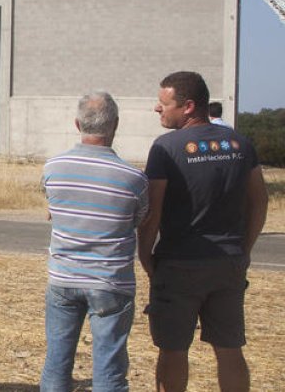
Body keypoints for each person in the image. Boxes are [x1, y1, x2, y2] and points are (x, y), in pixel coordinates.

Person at [138, 71, 268, 392]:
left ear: (188, 107)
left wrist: (145, 257)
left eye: (163, 103)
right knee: (229, 348)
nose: (157, 109)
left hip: (180, 264)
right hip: (228, 263)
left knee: (172, 349)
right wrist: (244, 249)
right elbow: (260, 201)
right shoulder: (240, 143)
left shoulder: (166, 148)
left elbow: (153, 212)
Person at [40, 91, 148, 392]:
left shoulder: (53, 168)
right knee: (109, 368)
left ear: (77, 124)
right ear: (115, 125)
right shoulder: (133, 178)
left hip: (63, 276)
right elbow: (138, 219)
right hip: (111, 280)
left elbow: (53, 210)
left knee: (57, 361)